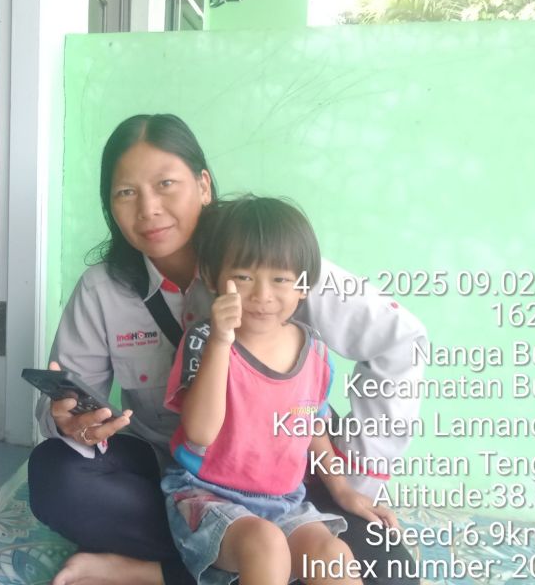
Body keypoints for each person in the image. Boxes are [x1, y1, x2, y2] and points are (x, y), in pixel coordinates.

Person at [28, 114, 424, 585]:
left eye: (166, 184)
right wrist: (72, 423)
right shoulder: (102, 290)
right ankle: (239, 559)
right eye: (126, 193)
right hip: (183, 481)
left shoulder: (273, 259)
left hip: (284, 477)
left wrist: (352, 481)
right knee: (57, 478)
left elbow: (400, 340)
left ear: (203, 185)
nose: (149, 209)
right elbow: (67, 409)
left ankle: (161, 572)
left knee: (388, 572)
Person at [163, 195, 397, 585]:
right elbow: (200, 432)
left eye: (281, 279)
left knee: (333, 555)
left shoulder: (315, 351)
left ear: (303, 285)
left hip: (284, 502)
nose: (263, 295)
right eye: (244, 277)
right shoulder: (205, 340)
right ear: (213, 276)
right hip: (207, 496)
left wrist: (343, 490)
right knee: (266, 546)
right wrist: (221, 341)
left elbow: (312, 426)